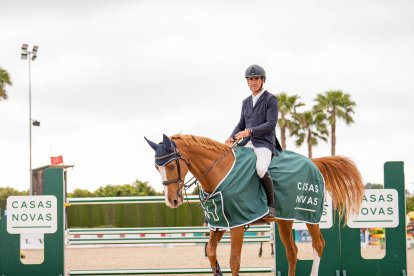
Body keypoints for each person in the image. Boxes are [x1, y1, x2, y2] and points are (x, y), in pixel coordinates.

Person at [225, 64, 282, 219]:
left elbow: (271, 124)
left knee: (261, 168)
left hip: (264, 143)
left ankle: (271, 206)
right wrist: (231, 137)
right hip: (247, 143)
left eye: (256, 78)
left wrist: (250, 131)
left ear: (262, 80)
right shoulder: (246, 102)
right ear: (247, 81)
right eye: (250, 79)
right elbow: (241, 124)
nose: (253, 82)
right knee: (233, 166)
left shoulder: (271, 99)